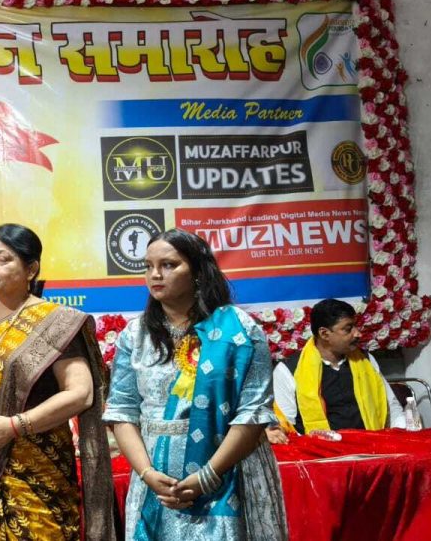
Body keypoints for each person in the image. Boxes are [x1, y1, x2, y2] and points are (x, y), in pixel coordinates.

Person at [103, 228, 287, 540]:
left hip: (227, 476)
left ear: (199, 271)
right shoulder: (135, 336)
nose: (155, 274)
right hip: (156, 482)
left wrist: (208, 476)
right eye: (148, 266)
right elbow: (122, 411)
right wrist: (147, 474)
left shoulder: (239, 330)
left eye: (169, 265)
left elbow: (253, 413)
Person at [0, 224, 114, 541]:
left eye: (3, 259)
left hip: (38, 473)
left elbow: (81, 394)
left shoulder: (54, 323)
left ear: (31, 269)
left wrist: (14, 426)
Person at [267, 298, 405, 444]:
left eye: (356, 326)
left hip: (372, 445)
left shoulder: (366, 360)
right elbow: (286, 425)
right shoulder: (288, 370)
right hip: (319, 452)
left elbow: (392, 408)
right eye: (348, 329)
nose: (357, 333)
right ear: (324, 334)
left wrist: (403, 436)